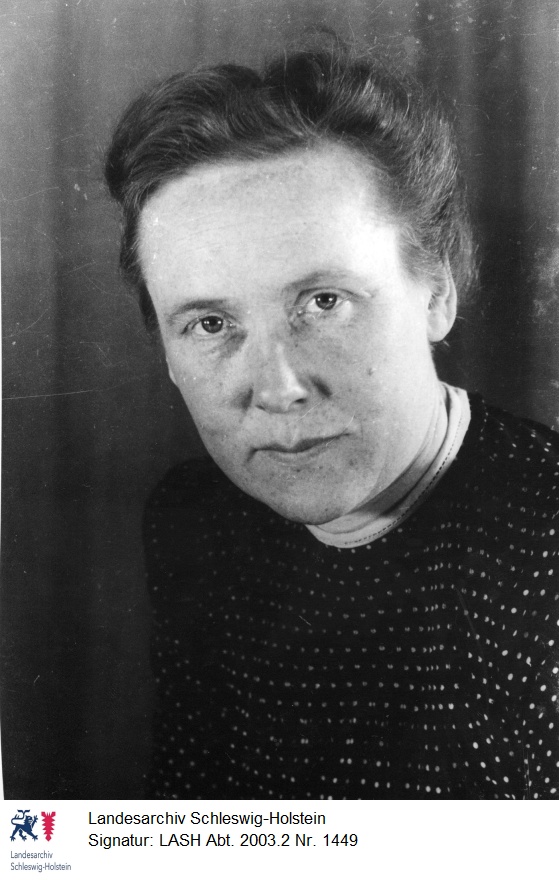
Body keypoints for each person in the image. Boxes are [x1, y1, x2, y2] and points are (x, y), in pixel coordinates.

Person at [105, 43, 559, 800]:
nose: (277, 389)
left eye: (324, 302)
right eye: (211, 323)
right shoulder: (195, 519)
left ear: (437, 293)